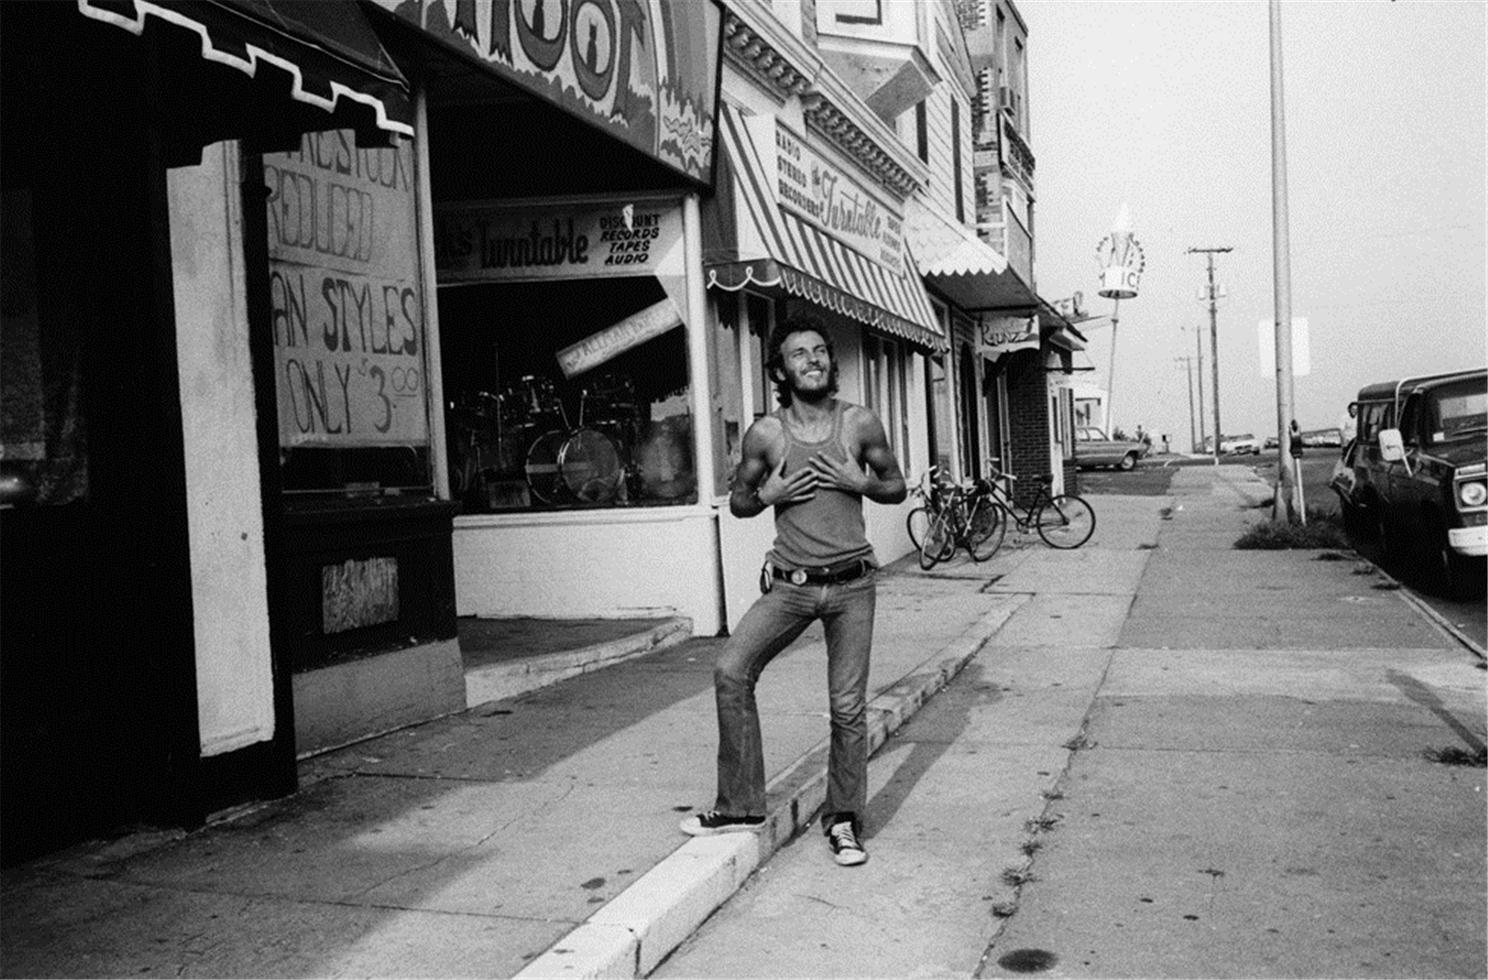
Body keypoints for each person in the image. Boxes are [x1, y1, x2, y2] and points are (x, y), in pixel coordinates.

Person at [679, 315, 907, 868]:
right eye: (799, 353)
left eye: (819, 350)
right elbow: (739, 501)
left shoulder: (859, 423)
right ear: (780, 369)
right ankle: (740, 806)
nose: (812, 359)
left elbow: (897, 487)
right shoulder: (767, 434)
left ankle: (844, 820)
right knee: (731, 670)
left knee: (847, 708)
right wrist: (768, 494)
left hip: (852, 586)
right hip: (791, 586)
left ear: (830, 360)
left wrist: (861, 483)